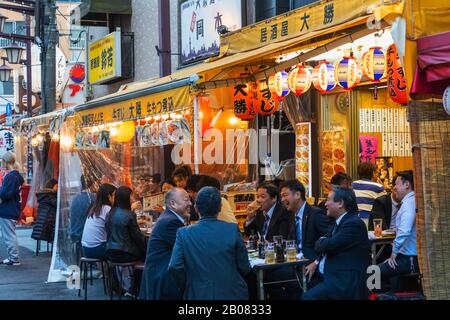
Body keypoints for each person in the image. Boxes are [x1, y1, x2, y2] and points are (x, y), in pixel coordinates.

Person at [168, 187, 251, 299]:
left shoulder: (184, 233)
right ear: (220, 208)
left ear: (196, 208)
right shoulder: (232, 229)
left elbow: (174, 266)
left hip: (197, 294)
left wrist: (188, 285)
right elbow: (245, 266)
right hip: (232, 292)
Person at [302, 187, 369, 300]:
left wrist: (323, 241)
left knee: (307, 297)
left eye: (328, 200)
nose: (325, 204)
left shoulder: (353, 224)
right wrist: (317, 260)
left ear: (340, 203)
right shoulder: (339, 222)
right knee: (296, 285)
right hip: (328, 274)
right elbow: (322, 244)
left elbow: (325, 245)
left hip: (343, 280)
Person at [139, 187, 191, 300]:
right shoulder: (171, 222)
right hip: (162, 276)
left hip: (160, 273)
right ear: (173, 203)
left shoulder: (169, 217)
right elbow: (188, 249)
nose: (190, 203)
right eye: (186, 200)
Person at [378, 171, 419, 288]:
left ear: (407, 185)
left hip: (409, 259)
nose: (394, 187)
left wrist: (393, 254)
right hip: (406, 256)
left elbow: (404, 231)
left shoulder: (409, 203)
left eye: (396, 184)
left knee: (372, 272)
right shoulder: (410, 201)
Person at [280, 180, 331, 269]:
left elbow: (330, 241)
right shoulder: (293, 215)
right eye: (281, 196)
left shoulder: (316, 215)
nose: (282, 200)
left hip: (310, 265)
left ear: (297, 195)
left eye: (285, 195)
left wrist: (316, 262)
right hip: (295, 262)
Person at [106, 186, 147, 296]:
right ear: (125, 198)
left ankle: (127, 287)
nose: (132, 198)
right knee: (145, 255)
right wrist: (146, 248)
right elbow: (138, 237)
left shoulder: (109, 213)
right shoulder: (129, 214)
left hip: (110, 253)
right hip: (125, 253)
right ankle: (136, 289)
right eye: (131, 196)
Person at [0, 152, 25, 266]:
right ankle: (13, 257)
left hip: (8, 209)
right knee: (10, 234)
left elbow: (5, 193)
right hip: (12, 208)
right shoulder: (15, 175)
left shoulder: (11, 176)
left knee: (9, 235)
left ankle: (14, 258)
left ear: (6, 162)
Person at [81, 184, 116, 259]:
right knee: (122, 251)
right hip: (97, 249)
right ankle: (114, 270)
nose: (116, 198)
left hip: (86, 248)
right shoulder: (107, 209)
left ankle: (109, 269)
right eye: (114, 195)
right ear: (109, 197)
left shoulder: (96, 207)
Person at [69, 175, 96, 246]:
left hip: (73, 233)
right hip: (85, 235)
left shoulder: (75, 198)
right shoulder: (94, 198)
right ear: (94, 183)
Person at [31, 179, 58, 244]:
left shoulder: (45, 194)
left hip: (41, 223)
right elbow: (58, 204)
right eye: (57, 186)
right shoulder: (49, 195)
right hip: (46, 224)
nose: (58, 188)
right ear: (53, 186)